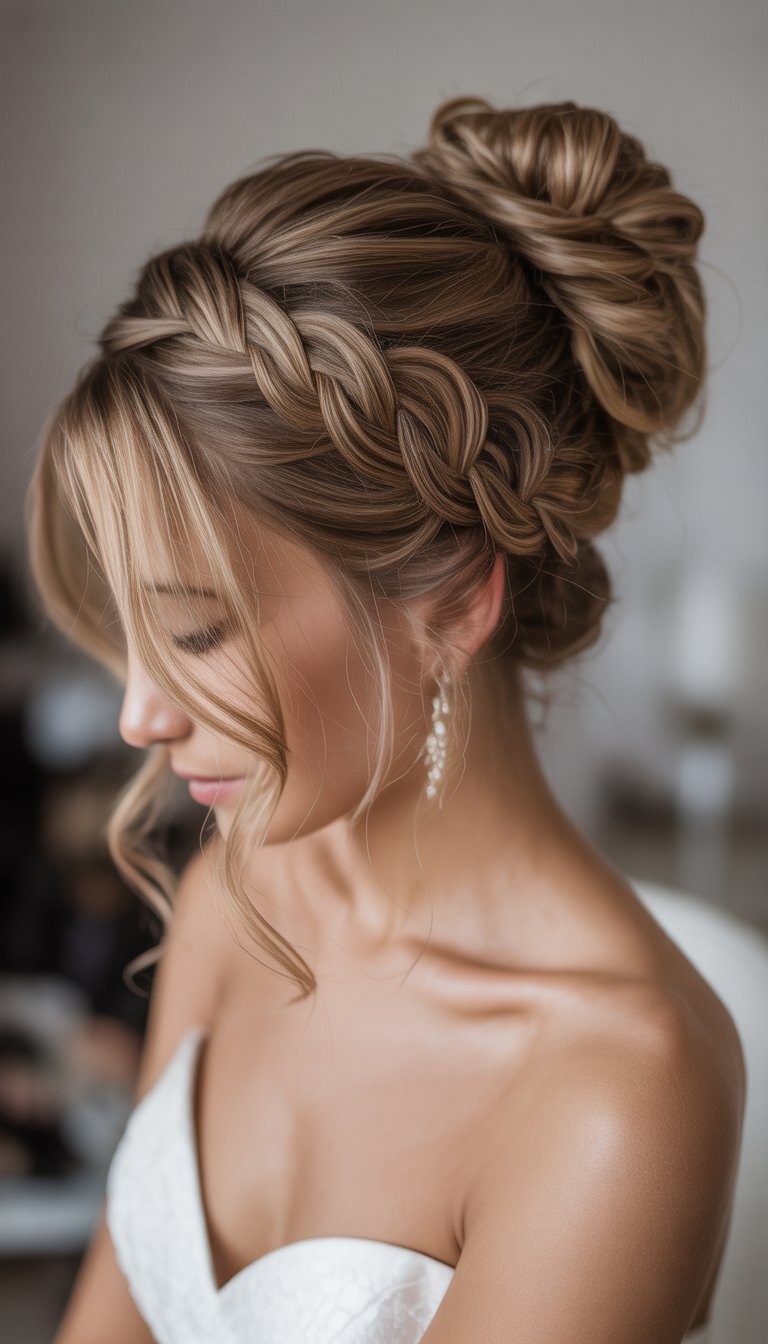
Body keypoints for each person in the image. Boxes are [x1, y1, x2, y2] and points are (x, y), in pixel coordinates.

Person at [26, 94, 744, 1344]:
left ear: (455, 600)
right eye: (134, 634)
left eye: (196, 631)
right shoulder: (231, 900)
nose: (140, 713)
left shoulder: (620, 1087)